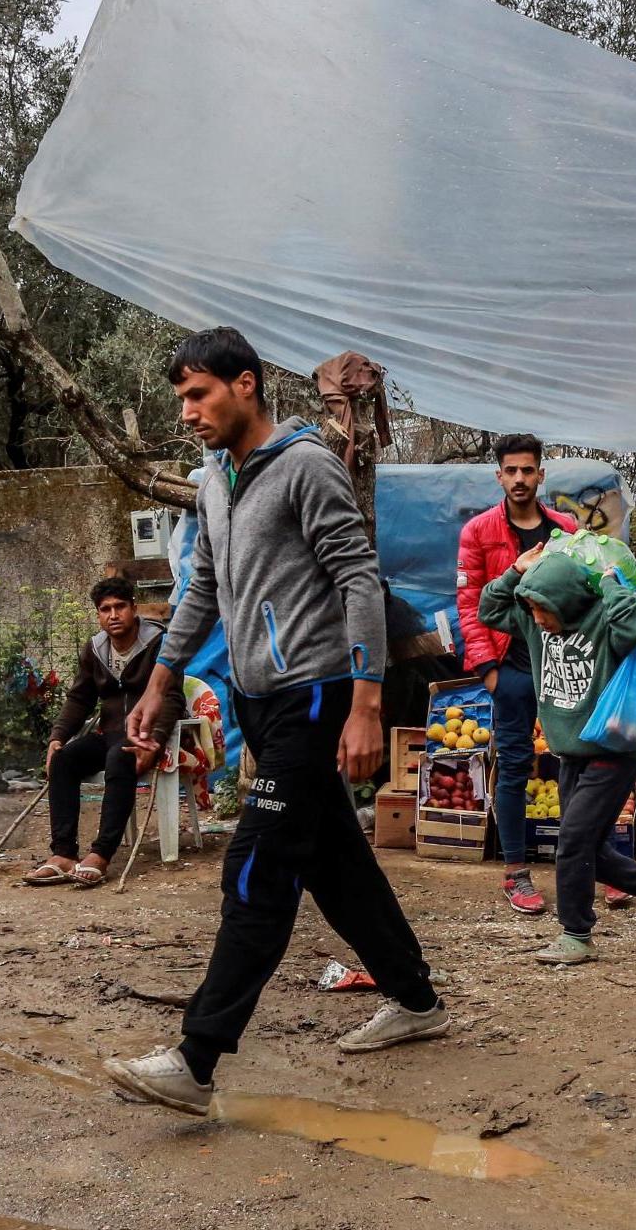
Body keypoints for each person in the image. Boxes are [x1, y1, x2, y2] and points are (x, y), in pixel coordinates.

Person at [105, 327, 448, 1116]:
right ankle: (417, 1000)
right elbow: (201, 589)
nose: (188, 412)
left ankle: (195, 1060)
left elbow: (359, 578)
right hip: (263, 702)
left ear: (247, 384)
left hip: (316, 695)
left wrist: (366, 703)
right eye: (182, 399)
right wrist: (159, 683)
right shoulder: (216, 478)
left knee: (256, 867)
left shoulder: (305, 466)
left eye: (199, 394)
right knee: (332, 860)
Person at [478, 543, 636, 963]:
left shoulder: (603, 619)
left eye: (544, 609)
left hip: (612, 750)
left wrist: (610, 586)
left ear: (566, 599)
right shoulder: (535, 624)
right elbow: (489, 608)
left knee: (571, 841)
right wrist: (515, 572)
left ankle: (576, 935)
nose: (537, 619)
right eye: (533, 609)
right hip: (570, 754)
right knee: (587, 848)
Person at [458, 434, 578, 914]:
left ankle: (592, 862)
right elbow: (470, 604)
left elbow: (581, 594)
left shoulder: (565, 528)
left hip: (562, 668)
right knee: (513, 767)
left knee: (576, 763)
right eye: (511, 471)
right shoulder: (479, 531)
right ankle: (516, 872)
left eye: (528, 470)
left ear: (541, 475)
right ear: (499, 476)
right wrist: (489, 669)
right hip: (511, 668)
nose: (520, 479)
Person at [22, 576, 177, 890]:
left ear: (134, 608)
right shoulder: (95, 648)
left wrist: (156, 739)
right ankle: (63, 854)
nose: (113, 615)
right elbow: (80, 698)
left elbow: (173, 697)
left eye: (120, 606)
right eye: (105, 609)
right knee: (64, 760)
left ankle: (101, 855)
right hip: (109, 732)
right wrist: (57, 738)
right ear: (98, 615)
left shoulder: (160, 643)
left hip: (145, 734)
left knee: (119, 758)